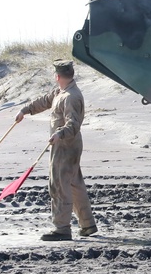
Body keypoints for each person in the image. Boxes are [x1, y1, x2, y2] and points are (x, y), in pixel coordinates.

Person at [15, 60, 96, 241]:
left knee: (59, 185)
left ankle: (62, 229)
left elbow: (73, 124)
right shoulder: (62, 91)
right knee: (74, 184)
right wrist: (25, 111)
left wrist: (60, 133)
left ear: (58, 76)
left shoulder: (71, 96)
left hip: (66, 146)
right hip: (66, 145)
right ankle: (88, 225)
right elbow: (45, 100)